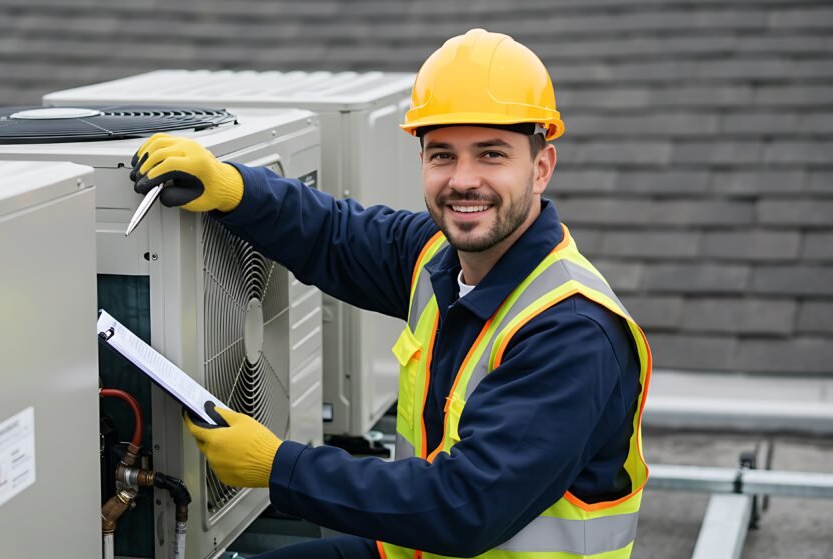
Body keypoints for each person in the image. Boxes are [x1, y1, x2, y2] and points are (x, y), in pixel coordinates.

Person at [130, 28, 651, 559]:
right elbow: (334, 235)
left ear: (541, 169)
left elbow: (465, 506)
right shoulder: (438, 256)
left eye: (491, 155)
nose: (463, 180)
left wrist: (279, 466)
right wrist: (232, 189)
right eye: (442, 155)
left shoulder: (571, 332)